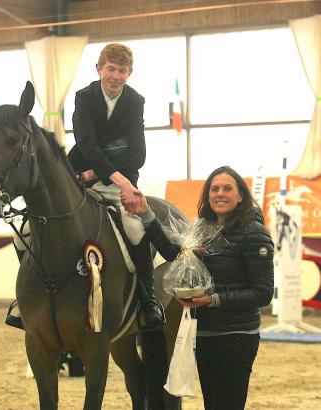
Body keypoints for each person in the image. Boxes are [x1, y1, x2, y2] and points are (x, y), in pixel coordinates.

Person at [123, 165, 274, 410]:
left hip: (236, 337)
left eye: (227, 188)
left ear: (241, 196)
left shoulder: (254, 234)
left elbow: (263, 293)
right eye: (214, 189)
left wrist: (213, 299)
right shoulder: (203, 231)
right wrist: (146, 214)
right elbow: (174, 252)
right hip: (205, 335)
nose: (220, 194)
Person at [67, 43, 165, 331]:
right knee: (32, 229)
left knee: (135, 230)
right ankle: (27, 301)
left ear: (129, 73)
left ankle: (148, 301)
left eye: (122, 71)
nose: (116, 76)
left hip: (108, 178)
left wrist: (98, 174)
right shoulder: (84, 97)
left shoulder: (135, 101)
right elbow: (87, 145)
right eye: (111, 69)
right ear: (99, 69)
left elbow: (138, 155)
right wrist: (113, 175)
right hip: (77, 176)